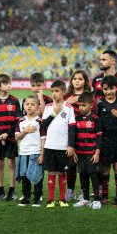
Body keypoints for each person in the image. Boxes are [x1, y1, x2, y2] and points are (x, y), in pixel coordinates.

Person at [42, 80, 75, 208]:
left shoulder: (69, 108)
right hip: (50, 146)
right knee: (51, 172)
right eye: (52, 91)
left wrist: (71, 145)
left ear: (64, 92)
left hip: (63, 147)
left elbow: (72, 128)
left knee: (62, 173)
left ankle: (62, 199)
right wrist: (54, 113)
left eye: (57, 91)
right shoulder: (49, 107)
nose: (54, 94)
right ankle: (51, 199)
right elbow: (43, 124)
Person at [0, 74, 22, 201]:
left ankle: (12, 191)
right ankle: (0, 190)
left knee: (11, 163)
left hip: (11, 138)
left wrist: (7, 134)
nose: (9, 86)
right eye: (6, 83)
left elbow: (17, 121)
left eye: (10, 83)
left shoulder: (14, 101)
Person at [97, 75, 117, 206]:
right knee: (105, 169)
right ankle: (104, 196)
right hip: (105, 142)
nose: (108, 91)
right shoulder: (99, 104)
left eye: (111, 88)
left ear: (116, 88)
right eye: (105, 89)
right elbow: (96, 122)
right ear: (102, 89)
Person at [72, 91, 102, 209]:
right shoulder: (76, 119)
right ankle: (85, 199)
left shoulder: (96, 119)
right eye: (79, 105)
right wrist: (74, 151)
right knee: (83, 175)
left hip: (92, 153)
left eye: (83, 105)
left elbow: (99, 137)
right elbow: (73, 136)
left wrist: (97, 153)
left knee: (94, 176)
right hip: (80, 153)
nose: (81, 107)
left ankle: (96, 200)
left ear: (91, 105)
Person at [64, 70, 91, 202]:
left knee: (83, 164)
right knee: (71, 163)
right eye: (75, 78)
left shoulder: (89, 96)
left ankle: (83, 190)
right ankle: (70, 190)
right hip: (70, 134)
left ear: (85, 81)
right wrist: (67, 102)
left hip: (85, 135)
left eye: (80, 79)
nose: (77, 81)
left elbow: (93, 113)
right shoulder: (67, 97)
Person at [15, 95, 46, 207]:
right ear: (23, 106)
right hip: (23, 153)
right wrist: (26, 131)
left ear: (37, 107)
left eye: (32, 104)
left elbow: (43, 139)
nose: (29, 106)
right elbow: (17, 137)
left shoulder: (40, 122)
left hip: (36, 152)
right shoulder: (21, 121)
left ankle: (37, 198)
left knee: (37, 176)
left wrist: (42, 154)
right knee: (24, 176)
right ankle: (26, 197)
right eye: (27, 104)